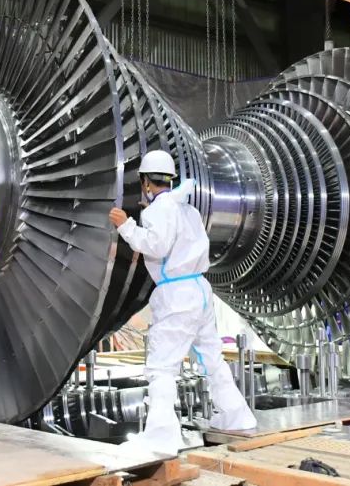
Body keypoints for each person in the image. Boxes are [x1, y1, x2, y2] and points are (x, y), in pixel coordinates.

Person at [109, 150, 256, 456]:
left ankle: (162, 436)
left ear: (146, 182)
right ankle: (237, 417)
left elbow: (157, 245)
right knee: (211, 358)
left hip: (176, 294)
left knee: (161, 366)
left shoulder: (158, 211)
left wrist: (126, 226)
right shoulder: (186, 209)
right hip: (199, 290)